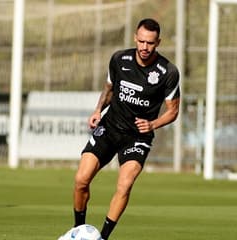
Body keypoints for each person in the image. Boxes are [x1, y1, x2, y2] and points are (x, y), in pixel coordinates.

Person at [70, 18, 180, 240]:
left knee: (125, 184)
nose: (144, 47)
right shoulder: (119, 59)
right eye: (141, 41)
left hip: (137, 136)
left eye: (150, 43)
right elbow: (109, 89)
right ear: (135, 38)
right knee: (81, 179)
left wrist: (153, 124)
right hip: (110, 127)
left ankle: (103, 237)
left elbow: (173, 111)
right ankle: (78, 231)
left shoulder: (168, 72)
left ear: (158, 42)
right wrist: (97, 110)